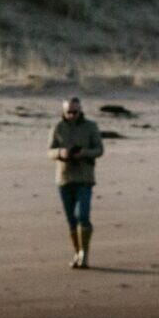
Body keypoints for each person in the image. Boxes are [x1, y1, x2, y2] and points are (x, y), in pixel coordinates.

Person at [48, 95, 105, 268]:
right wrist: (60, 153)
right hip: (64, 179)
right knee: (71, 219)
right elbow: (50, 151)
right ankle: (77, 252)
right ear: (63, 112)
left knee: (83, 215)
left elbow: (99, 149)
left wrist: (84, 153)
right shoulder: (57, 127)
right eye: (69, 112)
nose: (72, 115)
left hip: (84, 177)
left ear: (80, 110)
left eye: (75, 112)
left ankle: (84, 254)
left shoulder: (91, 127)